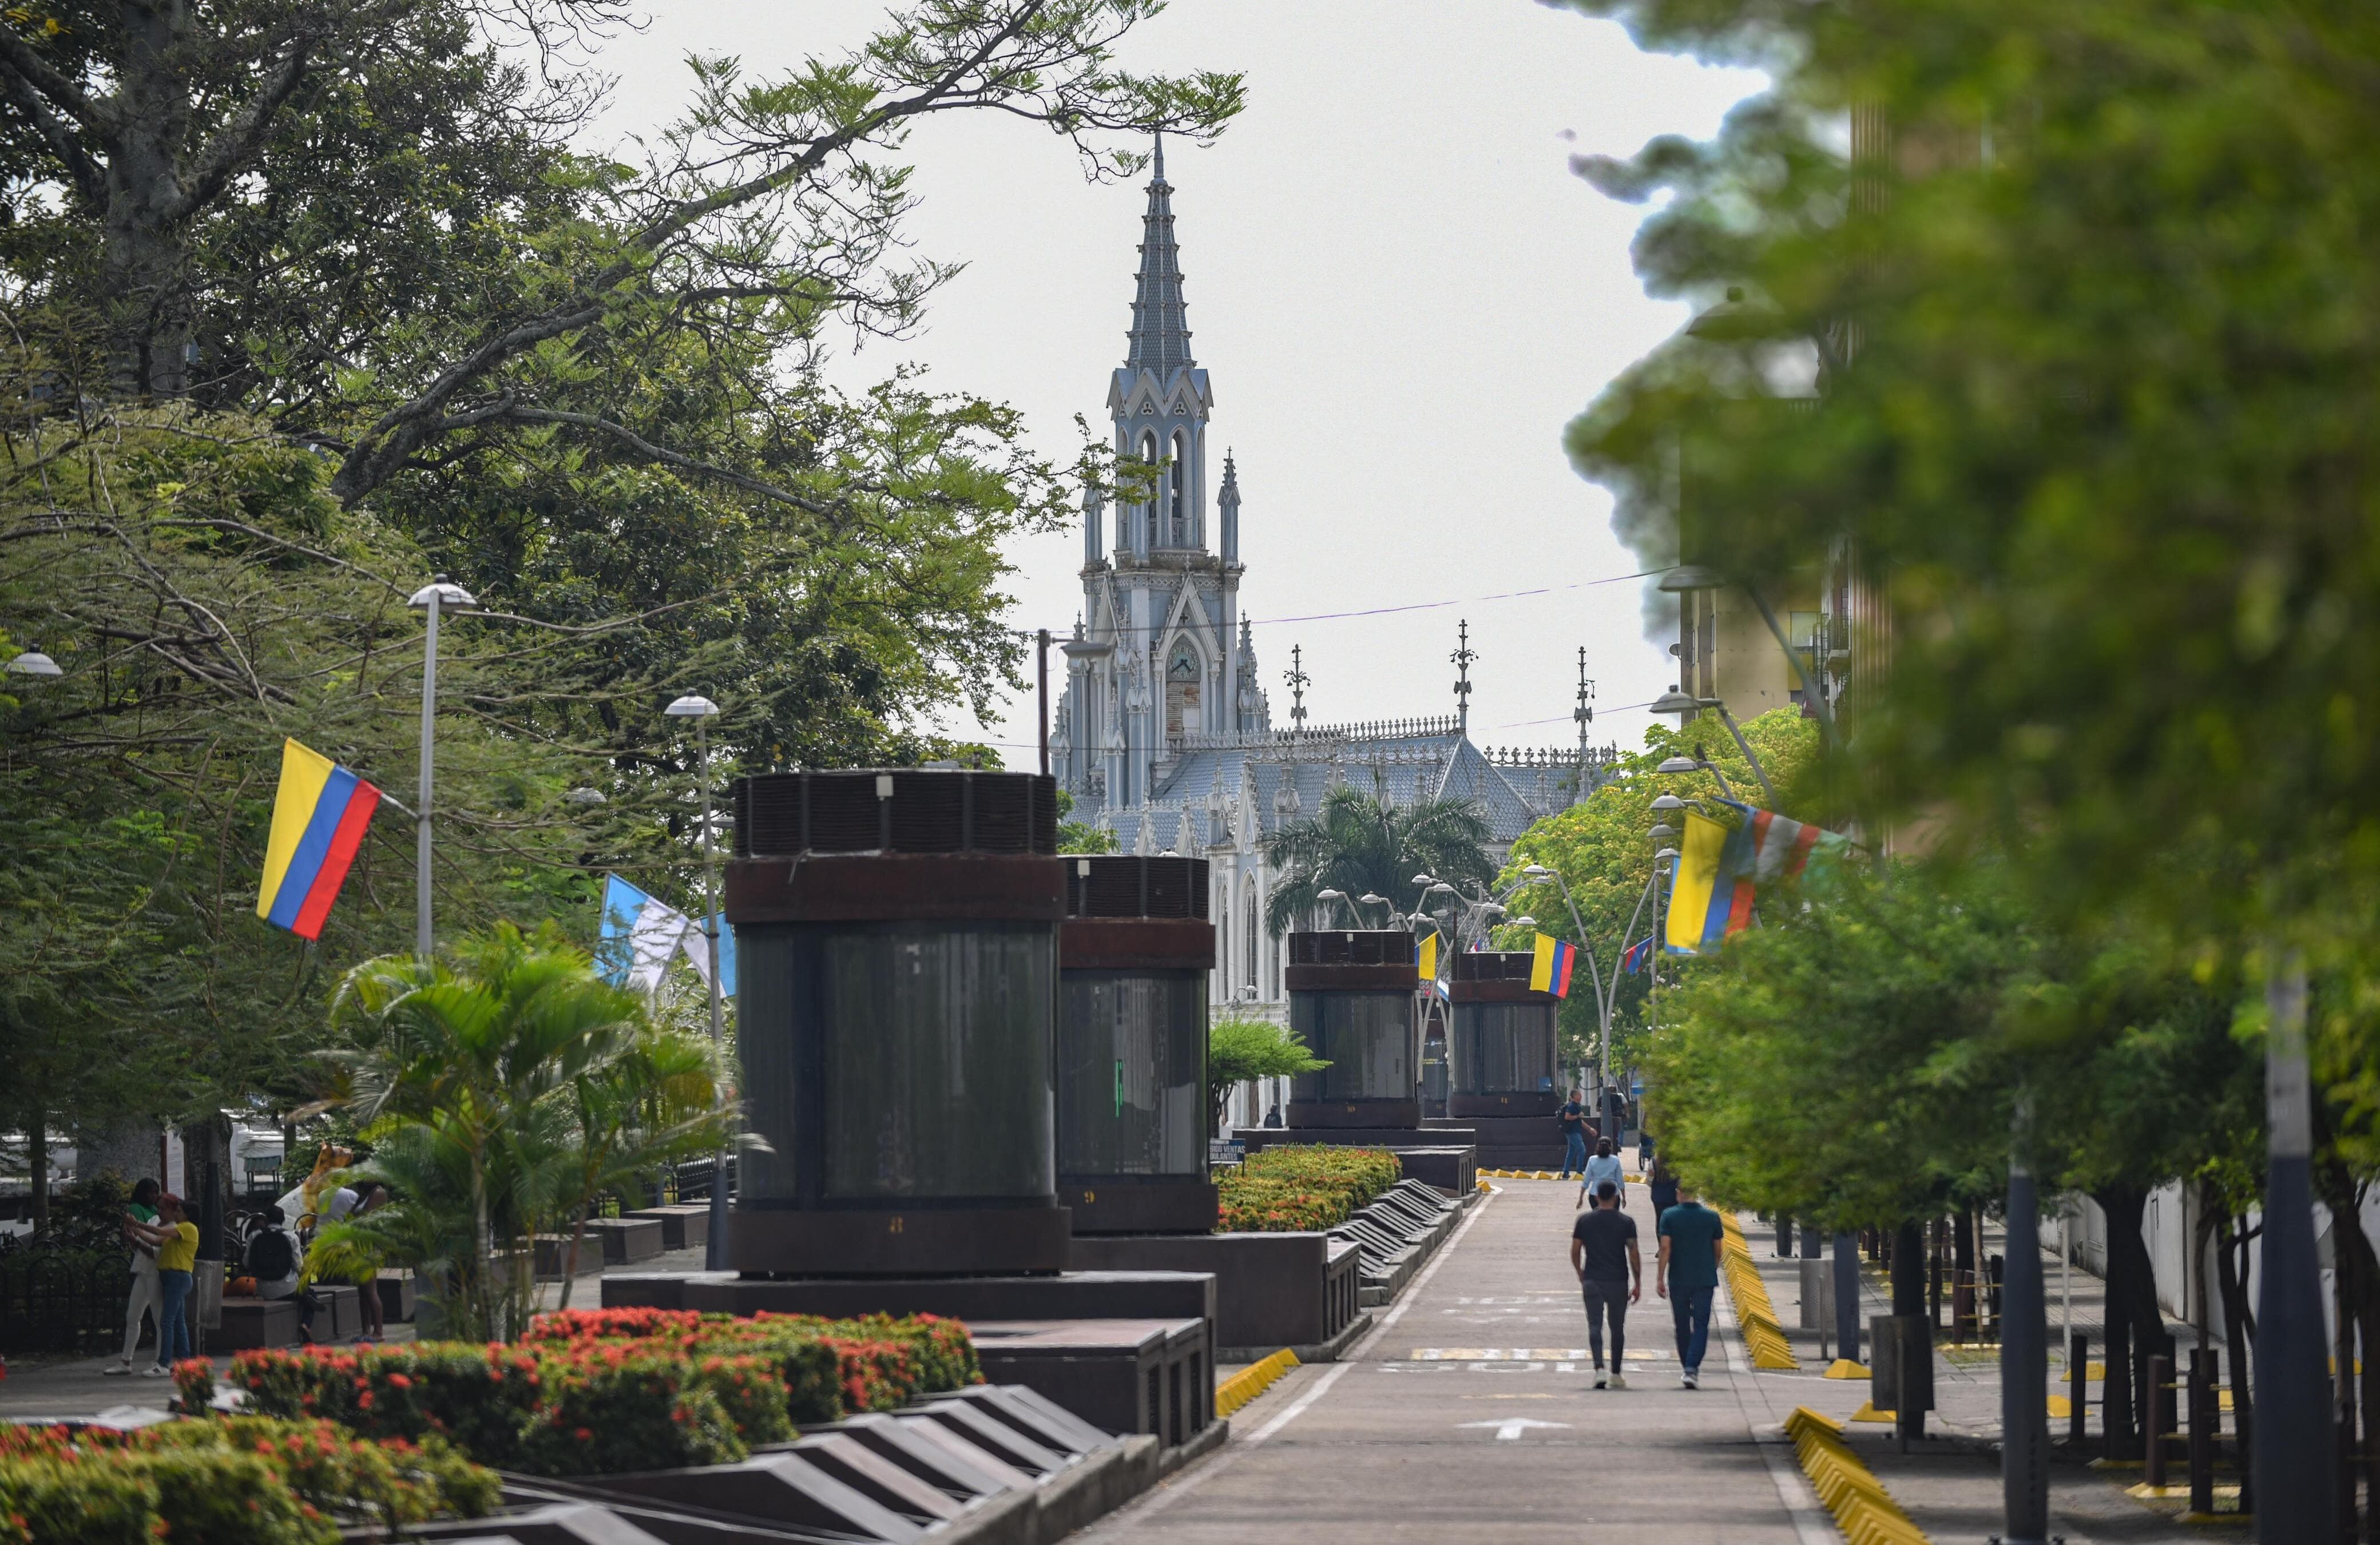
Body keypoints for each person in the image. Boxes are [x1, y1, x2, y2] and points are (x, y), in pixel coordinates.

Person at [1569, 1178, 1641, 1389]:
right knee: (1617, 1328)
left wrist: (1580, 1272)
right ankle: (1616, 1374)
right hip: (1618, 1280)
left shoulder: (1584, 1221)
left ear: (1597, 1197)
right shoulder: (1626, 1222)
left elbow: (1575, 1251)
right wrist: (1638, 1283)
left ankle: (1599, 1369)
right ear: (1617, 1197)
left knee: (1594, 1325)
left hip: (1593, 1279)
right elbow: (1634, 1254)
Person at [1657, 1181, 1727, 1389]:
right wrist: (1711, 1268)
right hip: (1704, 1279)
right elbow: (1718, 1250)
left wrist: (1660, 1277)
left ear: (1678, 1193)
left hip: (1678, 1278)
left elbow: (1665, 1248)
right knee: (1701, 1325)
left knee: (1681, 1325)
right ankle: (1692, 1367)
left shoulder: (1669, 1216)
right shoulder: (1712, 1217)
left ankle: (1687, 1365)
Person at [123, 1193, 197, 1377]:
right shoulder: (179, 1228)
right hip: (171, 1277)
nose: (177, 1214)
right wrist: (136, 1232)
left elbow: (160, 1234)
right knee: (178, 1321)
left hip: (178, 1277)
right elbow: (156, 1240)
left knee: (166, 1321)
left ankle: (163, 1363)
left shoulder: (187, 1228)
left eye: (179, 1211)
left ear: (187, 1214)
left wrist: (138, 1225)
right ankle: (184, 1361)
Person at [104, 1178, 162, 1376]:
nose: (155, 1200)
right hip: (143, 1268)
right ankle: (126, 1360)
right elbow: (142, 1237)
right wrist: (136, 1234)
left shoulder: (158, 1219)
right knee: (133, 1315)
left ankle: (159, 1361)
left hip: (153, 1269)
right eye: (152, 1194)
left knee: (158, 1317)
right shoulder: (144, 1213)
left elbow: (151, 1243)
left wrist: (137, 1234)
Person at [1578, 1137, 1624, 1209]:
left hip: (1595, 1194)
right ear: (1611, 1147)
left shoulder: (1592, 1160)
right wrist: (1624, 1198)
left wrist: (1581, 1198)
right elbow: (1620, 1181)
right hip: (1613, 1195)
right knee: (1613, 1219)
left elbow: (1586, 1181)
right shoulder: (1615, 1160)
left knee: (1597, 1218)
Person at [1556, 1090, 1590, 1178]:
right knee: (1582, 1150)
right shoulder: (1572, 1106)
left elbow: (1580, 1121)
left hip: (1574, 1131)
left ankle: (1566, 1172)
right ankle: (1579, 1171)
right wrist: (1578, 1116)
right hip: (1573, 1132)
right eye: (1579, 1095)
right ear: (1574, 1096)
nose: (1581, 1097)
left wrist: (1590, 1129)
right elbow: (1567, 1117)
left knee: (1571, 1152)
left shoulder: (1577, 1106)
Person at [1646, 1150, 1679, 1219]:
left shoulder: (1654, 1160)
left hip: (1658, 1196)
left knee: (1659, 1219)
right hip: (1673, 1196)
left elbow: (1650, 1180)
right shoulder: (1677, 1160)